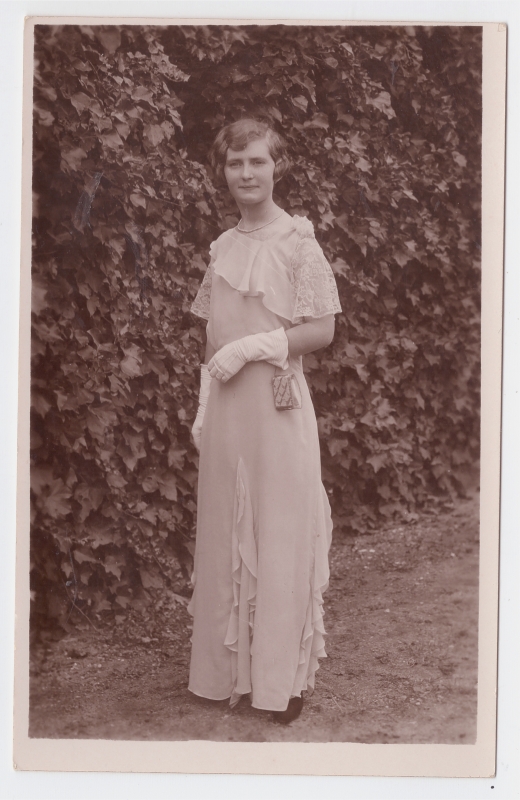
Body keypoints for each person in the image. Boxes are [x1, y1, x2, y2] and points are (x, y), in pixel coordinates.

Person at [188, 117, 342, 724]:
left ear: (277, 166)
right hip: (227, 410)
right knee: (226, 530)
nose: (246, 174)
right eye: (235, 163)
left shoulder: (300, 243)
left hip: (277, 404)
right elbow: (211, 336)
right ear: (222, 171)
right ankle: (222, 676)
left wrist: (252, 348)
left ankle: (280, 685)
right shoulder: (222, 248)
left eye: (256, 161)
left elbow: (322, 329)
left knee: (279, 534)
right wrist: (203, 406)